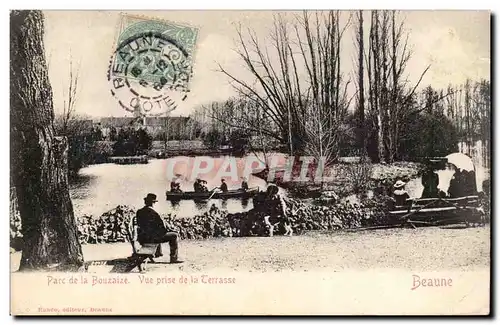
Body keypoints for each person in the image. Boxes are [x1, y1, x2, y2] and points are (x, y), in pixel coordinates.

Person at [135, 193, 183, 264]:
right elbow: (162, 228)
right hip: (151, 239)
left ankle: (158, 253)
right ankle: (173, 258)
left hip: (142, 238)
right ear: (153, 203)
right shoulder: (154, 213)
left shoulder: (139, 211)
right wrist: (170, 230)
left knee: (156, 233)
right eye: (154, 202)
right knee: (174, 235)